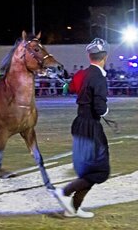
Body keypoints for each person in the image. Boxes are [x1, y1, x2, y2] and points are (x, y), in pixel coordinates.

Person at [53, 38, 110, 218]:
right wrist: (106, 109)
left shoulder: (81, 74)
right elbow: (100, 108)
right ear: (105, 57)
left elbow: (69, 88)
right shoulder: (99, 77)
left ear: (89, 56)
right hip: (90, 125)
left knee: (90, 171)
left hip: (80, 123)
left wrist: (67, 84)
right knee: (100, 171)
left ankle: (73, 208)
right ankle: (64, 192)